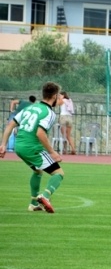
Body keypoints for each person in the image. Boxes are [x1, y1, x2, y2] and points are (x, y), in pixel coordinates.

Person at [0, 82, 66, 213]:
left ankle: (33, 203)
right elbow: (40, 133)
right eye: (58, 95)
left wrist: (3, 145)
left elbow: (10, 126)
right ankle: (44, 196)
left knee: (37, 171)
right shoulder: (49, 113)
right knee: (58, 174)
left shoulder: (30, 108)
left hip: (19, 147)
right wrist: (52, 152)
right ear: (54, 96)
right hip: (32, 148)